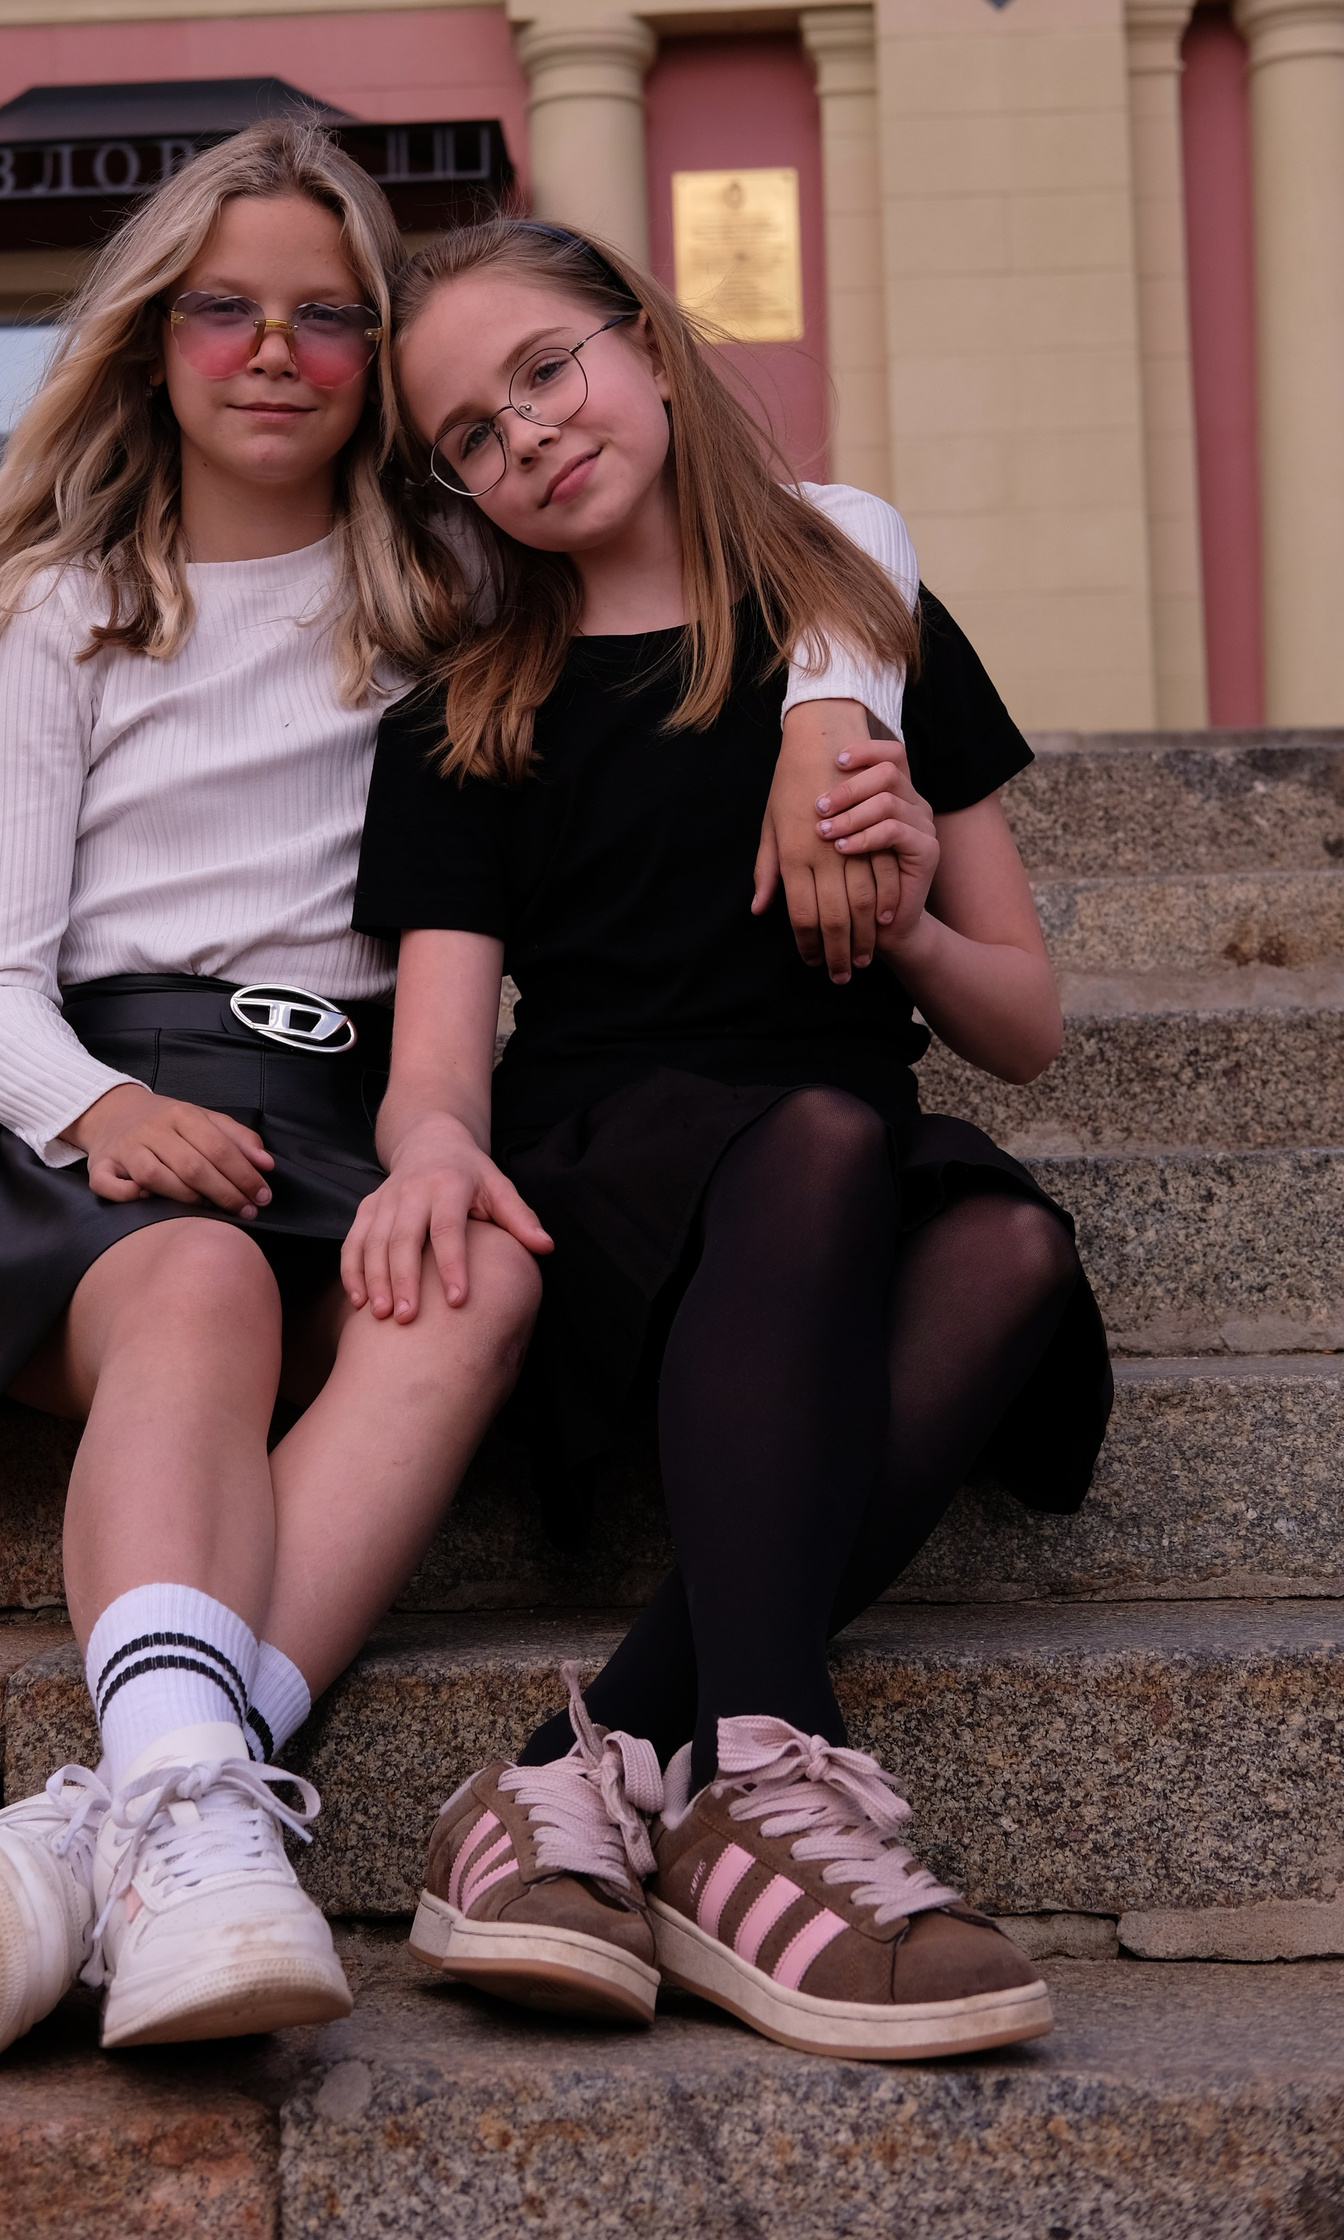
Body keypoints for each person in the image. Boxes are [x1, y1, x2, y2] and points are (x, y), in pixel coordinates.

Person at [0, 132, 909, 2068]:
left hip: (355, 1122)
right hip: (122, 1121)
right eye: (225, 310)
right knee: (197, 1279)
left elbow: (833, 518)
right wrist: (99, 1110)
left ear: (377, 366)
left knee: (485, 1276)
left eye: (325, 318)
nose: (273, 352)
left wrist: (832, 702)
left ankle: (125, 1814)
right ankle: (194, 1808)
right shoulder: (72, 609)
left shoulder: (446, 578)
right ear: (152, 340)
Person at [347, 217, 1112, 2063]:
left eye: (546, 370)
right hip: (614, 1181)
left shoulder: (860, 636)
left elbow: (1022, 1022)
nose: (528, 434)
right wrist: (431, 1152)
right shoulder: (466, 716)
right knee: (825, 1140)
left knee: (1005, 1239)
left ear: (645, 341)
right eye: (469, 436)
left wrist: (912, 922)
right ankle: (769, 1770)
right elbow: (439, 1061)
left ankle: (589, 1758)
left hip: (834, 1159)